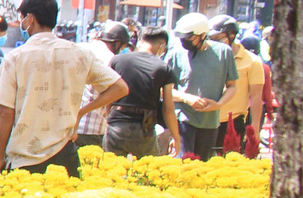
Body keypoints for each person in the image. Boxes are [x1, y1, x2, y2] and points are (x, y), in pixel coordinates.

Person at [0, 0, 126, 173]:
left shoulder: (16, 58)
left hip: (26, 158)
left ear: (30, 19)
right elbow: (120, 88)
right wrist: (81, 112)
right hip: (65, 155)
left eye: (22, 18)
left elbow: (5, 112)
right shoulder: (79, 54)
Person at [167, 12, 236, 160]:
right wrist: (186, 98)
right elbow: (164, 91)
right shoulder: (175, 54)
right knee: (184, 163)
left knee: (203, 166)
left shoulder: (224, 52)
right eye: (182, 38)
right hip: (183, 118)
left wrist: (218, 105)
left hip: (210, 121)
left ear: (203, 34)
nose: (184, 42)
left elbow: (232, 86)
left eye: (189, 38)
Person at [105, 26, 181, 158]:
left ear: (141, 41)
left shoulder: (117, 60)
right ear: (162, 45)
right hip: (144, 129)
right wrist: (176, 138)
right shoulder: (163, 68)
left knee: (112, 172)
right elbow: (168, 108)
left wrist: (108, 117)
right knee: (147, 172)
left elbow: (107, 92)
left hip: (117, 124)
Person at [210, 16, 266, 157]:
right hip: (205, 120)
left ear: (232, 35)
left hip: (232, 123)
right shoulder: (208, 56)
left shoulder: (252, 61)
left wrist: (255, 126)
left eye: (217, 38)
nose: (213, 42)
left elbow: (256, 97)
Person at [74, 23, 133, 151]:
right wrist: (83, 111)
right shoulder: (110, 59)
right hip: (91, 128)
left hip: (68, 125)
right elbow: (118, 90)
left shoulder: (78, 47)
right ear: (117, 44)